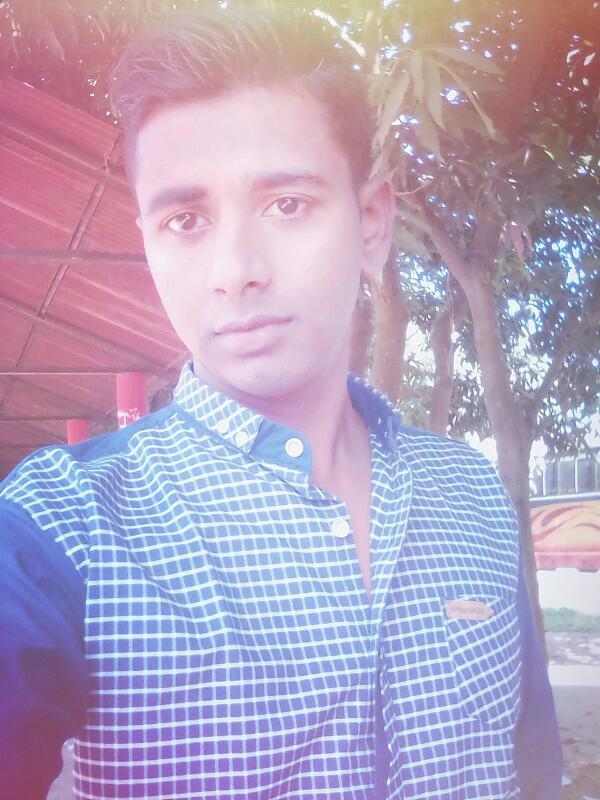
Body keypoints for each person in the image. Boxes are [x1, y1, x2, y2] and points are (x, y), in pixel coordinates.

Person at [0, 7, 562, 800]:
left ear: (372, 223)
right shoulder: (64, 528)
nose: (235, 269)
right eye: (185, 219)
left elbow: (530, 765)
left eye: (287, 203)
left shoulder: (470, 494)